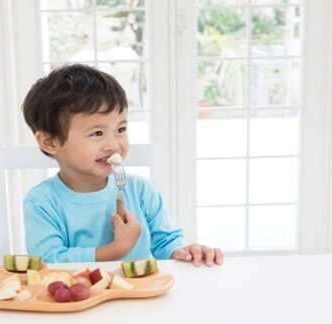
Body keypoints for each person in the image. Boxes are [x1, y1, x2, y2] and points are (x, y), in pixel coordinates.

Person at [21, 64, 223, 266]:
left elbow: (165, 243)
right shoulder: (42, 202)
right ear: (50, 142)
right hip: (78, 296)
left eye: (121, 129)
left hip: (139, 294)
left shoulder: (141, 191)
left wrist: (185, 253)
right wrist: (115, 250)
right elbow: (49, 260)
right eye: (97, 133)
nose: (114, 145)